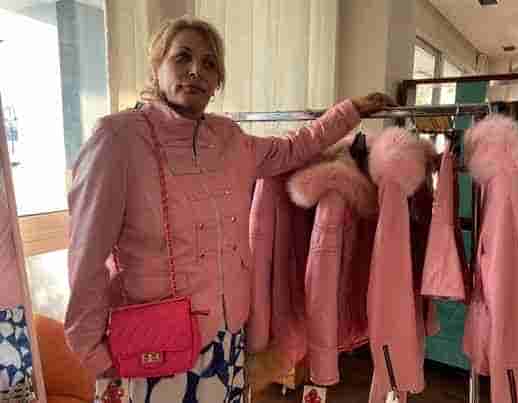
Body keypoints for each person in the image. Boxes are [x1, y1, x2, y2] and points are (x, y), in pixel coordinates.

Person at [64, 14, 395, 403]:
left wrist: (351, 110)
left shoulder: (229, 139)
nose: (195, 71)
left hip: (226, 339)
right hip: (150, 344)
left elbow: (293, 148)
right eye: (182, 57)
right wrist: (95, 354)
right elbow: (86, 258)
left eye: (208, 63)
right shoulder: (117, 139)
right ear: (157, 65)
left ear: (218, 80)